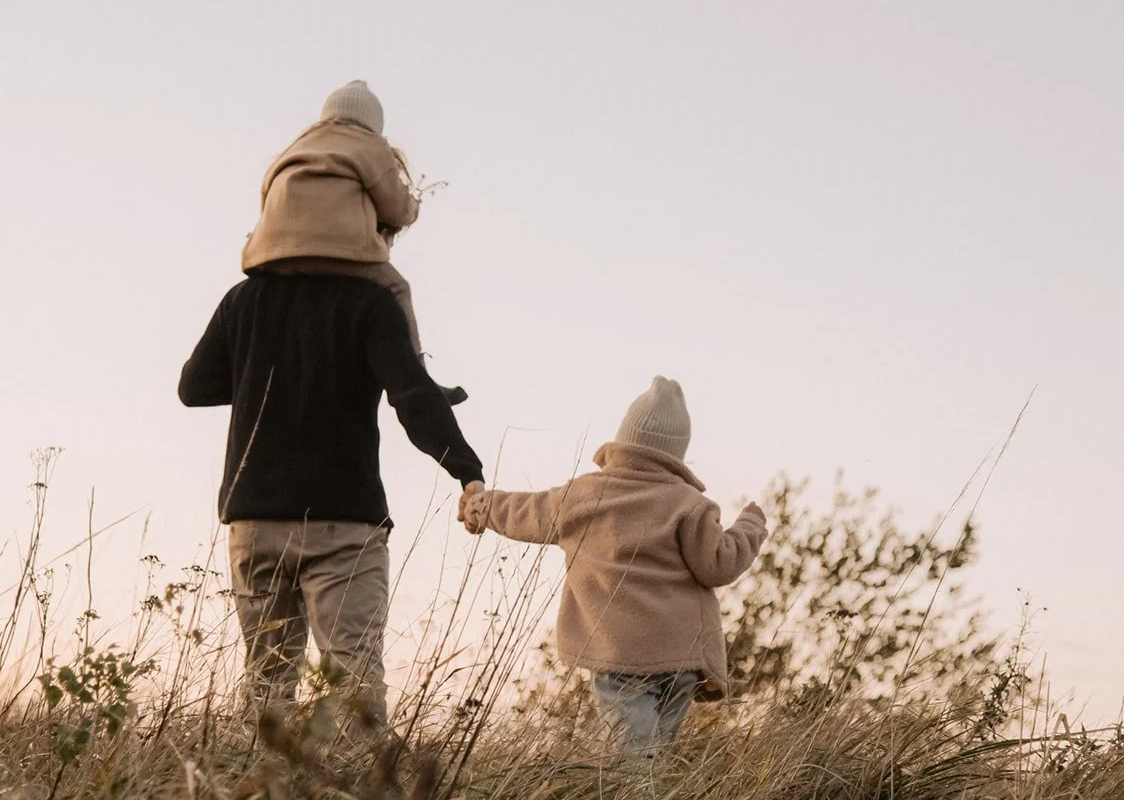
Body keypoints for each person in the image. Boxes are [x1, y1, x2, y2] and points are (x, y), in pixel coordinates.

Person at [178, 270, 485, 726]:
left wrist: (265, 369)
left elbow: (194, 387)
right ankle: (352, 776)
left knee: (267, 684)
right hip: (342, 522)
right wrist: (466, 471)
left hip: (254, 523)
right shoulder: (370, 301)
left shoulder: (244, 299)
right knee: (353, 686)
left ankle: (259, 774)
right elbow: (413, 396)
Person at [459, 377, 768, 757]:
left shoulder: (583, 495)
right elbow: (719, 565)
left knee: (632, 760)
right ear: (677, 454)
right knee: (654, 756)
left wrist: (479, 506)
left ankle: (639, 796)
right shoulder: (690, 504)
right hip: (680, 660)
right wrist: (750, 526)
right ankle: (651, 796)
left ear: (624, 439)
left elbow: (525, 511)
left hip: (619, 656)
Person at [240, 79, 466, 404]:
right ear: (373, 122)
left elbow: (266, 200)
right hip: (341, 252)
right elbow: (396, 208)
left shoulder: (295, 148)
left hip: (273, 255)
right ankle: (419, 381)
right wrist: (413, 207)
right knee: (398, 288)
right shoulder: (370, 146)